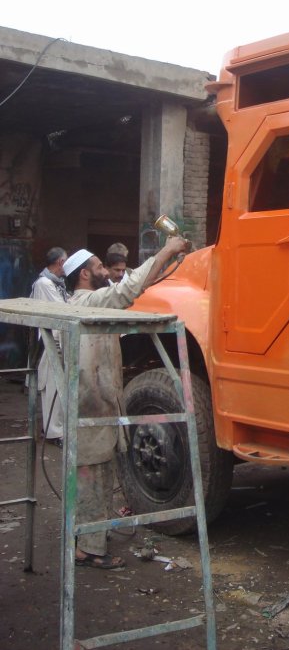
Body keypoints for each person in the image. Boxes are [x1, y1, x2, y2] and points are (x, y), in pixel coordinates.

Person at [62, 235, 188, 570]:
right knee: (91, 477)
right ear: (85, 275)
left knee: (99, 476)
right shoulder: (86, 303)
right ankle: (88, 549)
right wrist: (167, 251)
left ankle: (90, 539)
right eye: (100, 266)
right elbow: (128, 288)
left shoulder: (87, 302)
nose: (107, 270)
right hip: (90, 406)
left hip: (99, 405)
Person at [30, 246, 68, 446]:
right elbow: (60, 309)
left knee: (57, 387)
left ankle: (55, 429)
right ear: (60, 262)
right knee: (51, 387)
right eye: (66, 262)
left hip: (56, 340)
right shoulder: (44, 283)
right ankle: (54, 432)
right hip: (49, 341)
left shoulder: (56, 283)